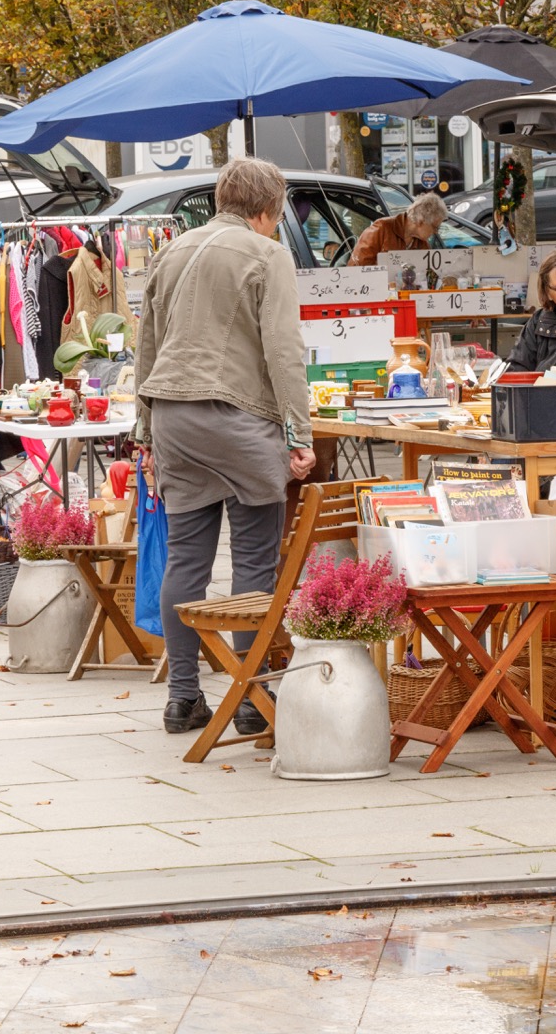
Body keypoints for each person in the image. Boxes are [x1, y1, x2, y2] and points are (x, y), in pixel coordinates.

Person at [135, 158, 316, 736]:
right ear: (266, 211)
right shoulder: (267, 254)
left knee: (187, 559)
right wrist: (299, 433)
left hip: (173, 419)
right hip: (238, 417)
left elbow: (148, 345)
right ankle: (249, 697)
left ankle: (183, 699)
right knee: (255, 560)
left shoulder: (174, 250)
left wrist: (144, 431)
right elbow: (284, 351)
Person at [347, 192, 447, 266]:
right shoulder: (381, 229)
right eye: (435, 227)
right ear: (421, 221)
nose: (436, 231)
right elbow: (356, 269)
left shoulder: (422, 244)